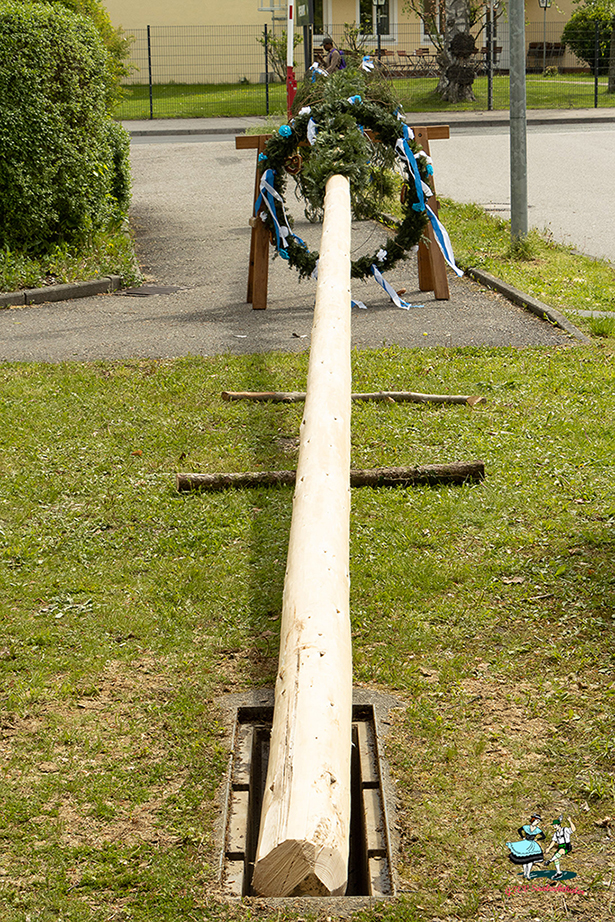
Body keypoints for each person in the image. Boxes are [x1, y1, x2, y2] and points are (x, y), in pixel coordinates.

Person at [506, 814, 546, 880]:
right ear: (533, 820)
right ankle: (525, 873)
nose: (537, 822)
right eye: (536, 821)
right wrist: (523, 837)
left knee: (530, 860)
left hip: (532, 845)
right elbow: (519, 830)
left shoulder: (537, 830)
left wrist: (537, 839)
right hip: (525, 843)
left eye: (538, 821)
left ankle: (528, 874)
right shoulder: (526, 827)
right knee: (525, 859)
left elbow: (543, 836)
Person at [544, 815, 575, 880]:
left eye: (555, 825)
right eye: (553, 826)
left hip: (566, 846)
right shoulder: (556, 834)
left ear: (558, 825)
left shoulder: (565, 830)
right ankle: (558, 872)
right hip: (560, 846)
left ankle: (549, 861)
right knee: (556, 859)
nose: (554, 827)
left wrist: (570, 821)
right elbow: (553, 841)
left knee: (560, 851)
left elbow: (573, 829)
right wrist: (549, 848)